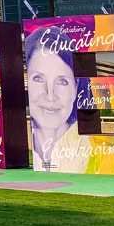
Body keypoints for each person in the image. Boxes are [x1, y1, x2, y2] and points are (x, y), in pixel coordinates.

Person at [24, 25, 83, 172]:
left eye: (62, 81)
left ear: (75, 88)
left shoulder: (104, 156)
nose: (50, 96)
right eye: (38, 78)